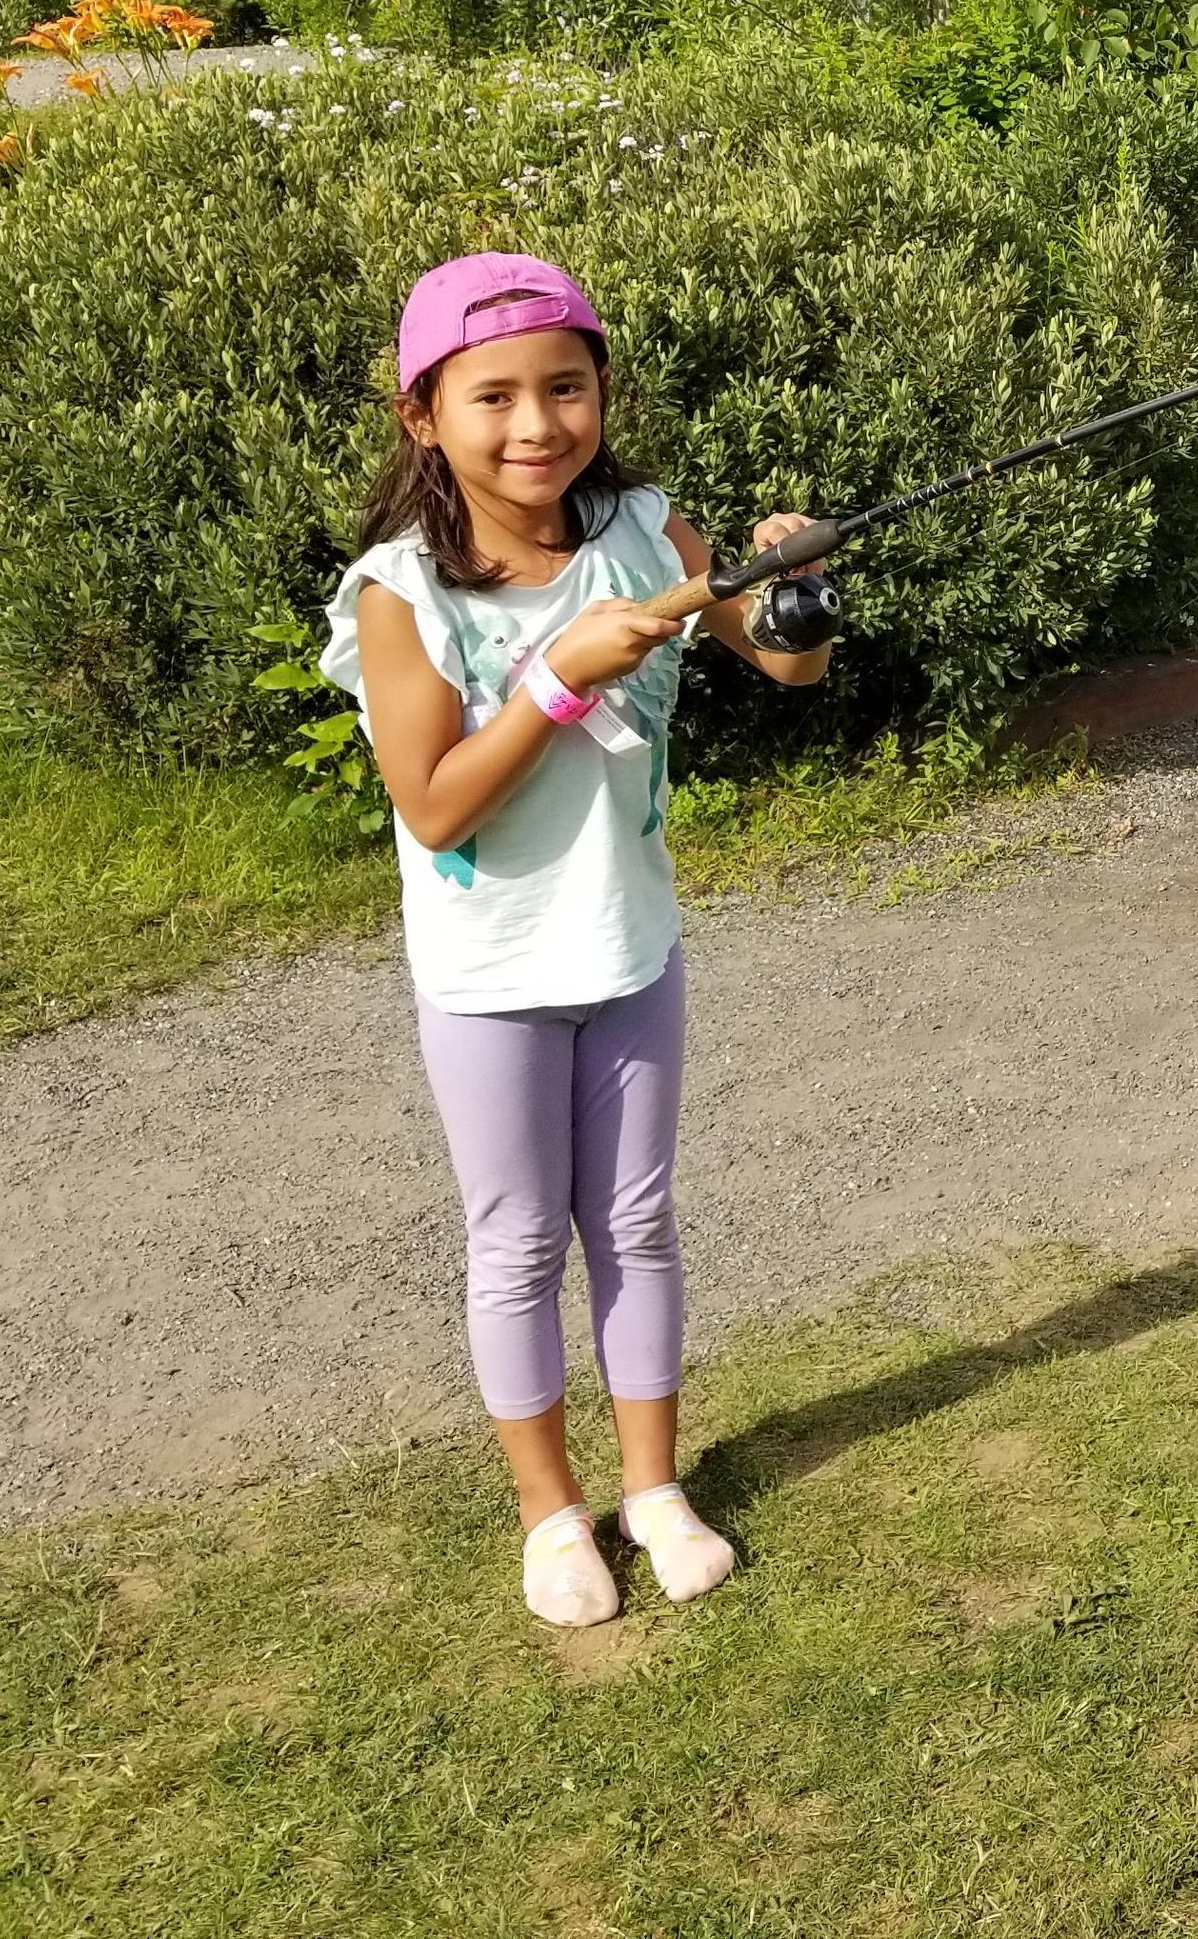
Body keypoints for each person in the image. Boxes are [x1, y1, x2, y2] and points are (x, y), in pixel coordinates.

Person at [322, 253, 832, 1628]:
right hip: (488, 980)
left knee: (639, 1224)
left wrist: (797, 588)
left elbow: (782, 665)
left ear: (602, 391)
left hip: (630, 949)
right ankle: (552, 1513)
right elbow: (432, 808)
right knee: (517, 1244)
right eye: (494, 397)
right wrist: (553, 681)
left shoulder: (648, 539)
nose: (537, 424)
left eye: (566, 386)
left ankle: (654, 1488)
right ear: (423, 415)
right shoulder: (401, 596)